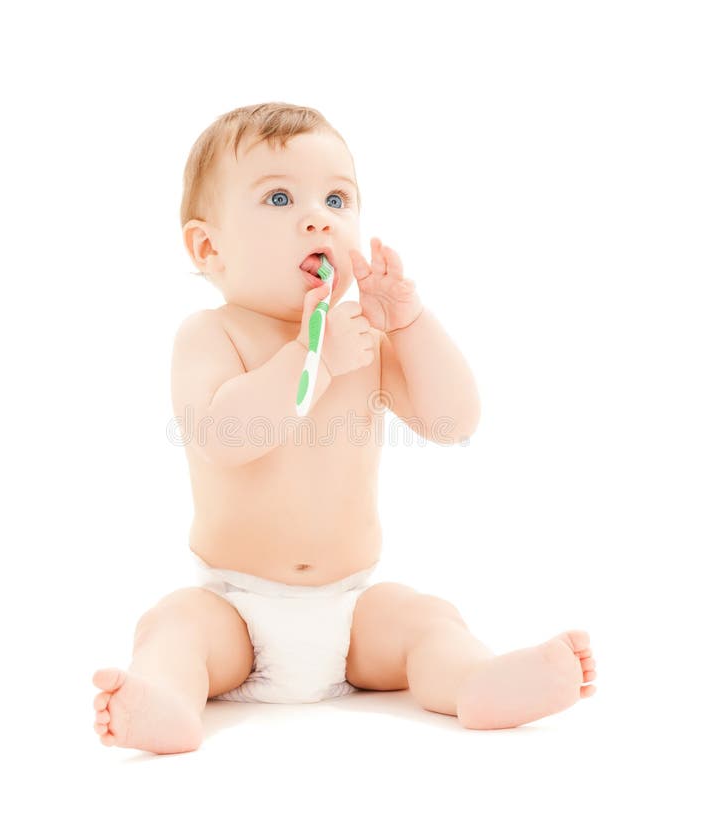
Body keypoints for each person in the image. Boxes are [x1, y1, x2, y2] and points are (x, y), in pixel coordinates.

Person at [92, 102, 597, 753]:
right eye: (279, 197)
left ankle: (475, 679)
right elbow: (225, 436)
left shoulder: (364, 336)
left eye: (337, 198)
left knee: (424, 618)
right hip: (237, 607)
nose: (317, 217)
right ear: (209, 246)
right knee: (174, 626)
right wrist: (314, 359)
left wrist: (410, 324)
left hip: (352, 609)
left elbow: (453, 420)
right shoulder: (212, 335)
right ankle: (165, 702)